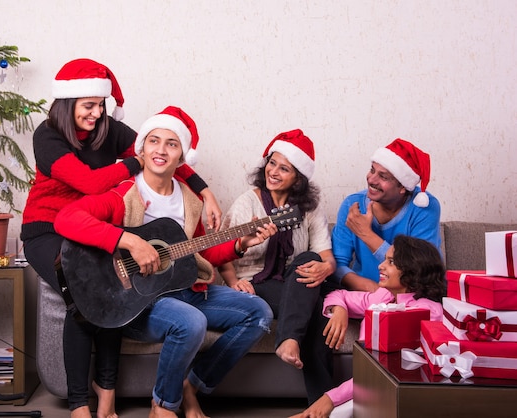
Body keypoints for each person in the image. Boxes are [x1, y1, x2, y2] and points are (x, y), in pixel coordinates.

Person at [20, 59, 222, 418]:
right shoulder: (47, 136)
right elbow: (90, 182)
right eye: (89, 106)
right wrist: (135, 162)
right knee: (82, 302)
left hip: (95, 226)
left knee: (117, 291)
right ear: (68, 104)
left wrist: (204, 190)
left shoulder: (107, 128)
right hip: (48, 229)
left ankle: (107, 395)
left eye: (101, 105)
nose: (97, 114)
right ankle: (79, 404)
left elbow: (167, 152)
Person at [54, 106, 275, 418]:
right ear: (141, 148)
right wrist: (130, 241)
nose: (161, 149)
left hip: (185, 289)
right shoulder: (124, 193)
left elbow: (199, 254)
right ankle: (163, 405)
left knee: (260, 313)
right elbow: (67, 219)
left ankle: (193, 384)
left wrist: (241, 244)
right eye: (154, 141)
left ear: (182, 157)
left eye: (171, 143)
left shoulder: (190, 201)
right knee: (190, 322)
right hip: (140, 301)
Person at [218, 129, 337, 404]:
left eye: (284, 168)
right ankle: (321, 403)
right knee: (319, 317)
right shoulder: (247, 203)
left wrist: (326, 269)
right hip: (256, 282)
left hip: (295, 281)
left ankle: (292, 347)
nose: (274, 171)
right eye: (272, 163)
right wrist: (233, 282)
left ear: (298, 179)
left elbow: (326, 257)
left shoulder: (309, 208)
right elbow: (222, 251)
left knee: (310, 260)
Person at [290, 234, 446, 418]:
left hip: (403, 392)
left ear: (413, 269)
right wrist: (339, 310)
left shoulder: (424, 312)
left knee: (331, 413)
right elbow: (338, 294)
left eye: (391, 262)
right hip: (374, 383)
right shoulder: (384, 296)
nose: (381, 266)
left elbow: (382, 371)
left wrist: (329, 398)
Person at [331, 138, 441, 292]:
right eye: (372, 170)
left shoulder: (423, 208)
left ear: (403, 186)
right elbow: (337, 265)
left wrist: (366, 234)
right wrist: (373, 290)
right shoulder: (352, 205)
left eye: (383, 177)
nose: (371, 179)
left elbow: (420, 270)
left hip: (409, 298)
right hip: (363, 295)